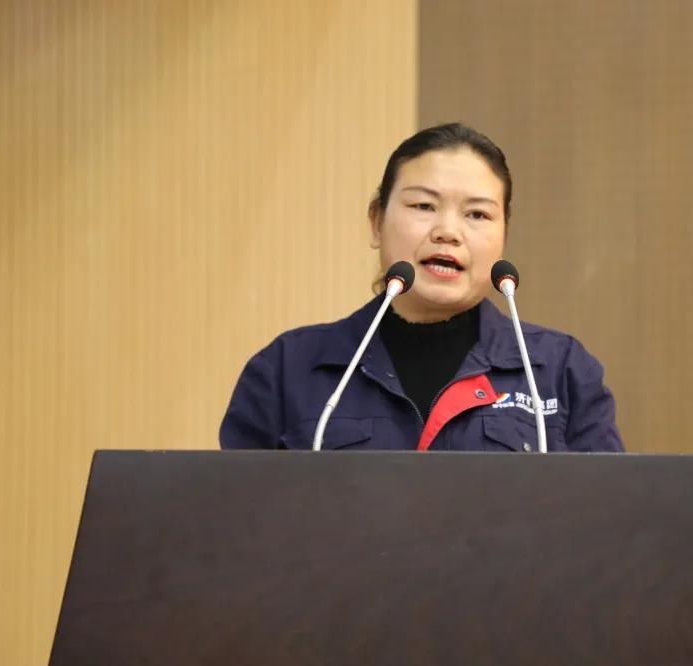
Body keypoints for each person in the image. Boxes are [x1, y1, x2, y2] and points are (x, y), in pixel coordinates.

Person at [220, 123, 623, 452]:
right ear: (376, 222)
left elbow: (606, 514)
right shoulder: (287, 369)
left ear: (504, 234)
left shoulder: (559, 371)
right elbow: (240, 515)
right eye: (424, 206)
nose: (448, 231)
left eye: (477, 214)